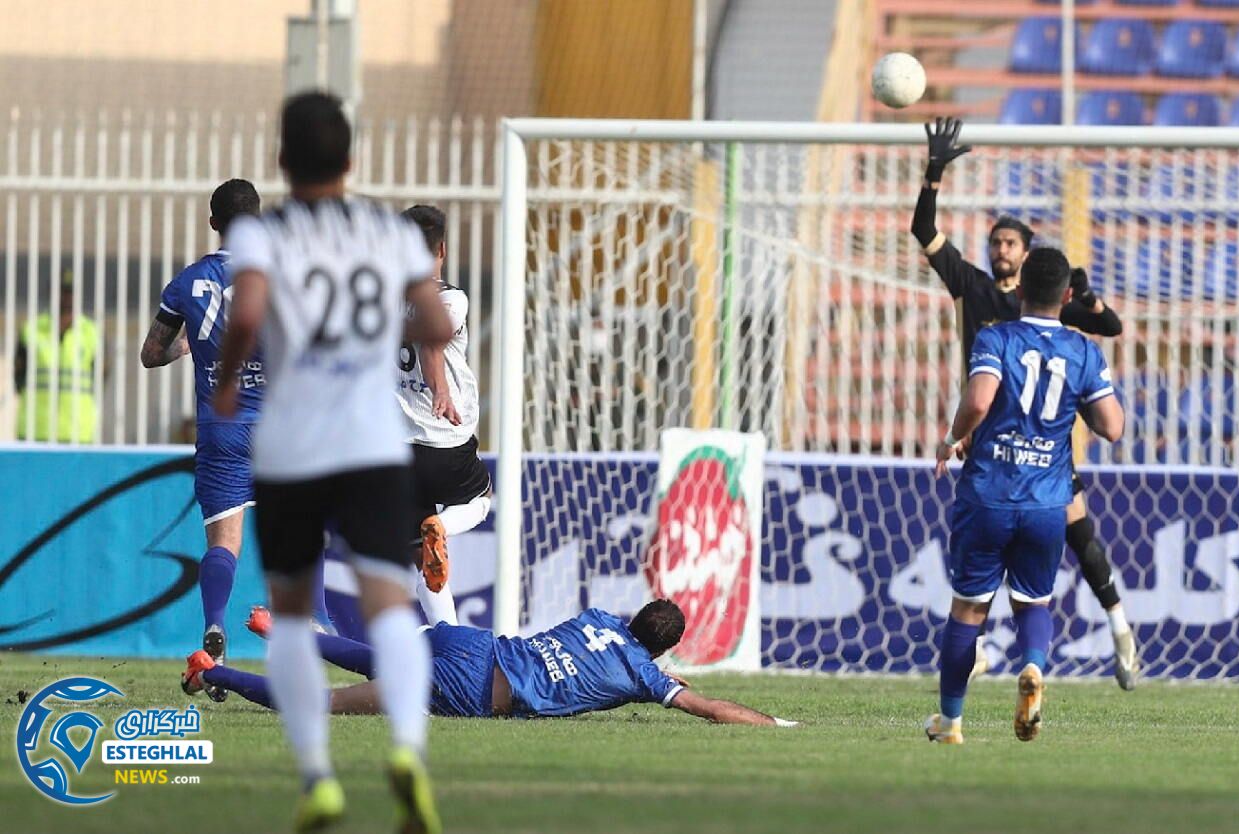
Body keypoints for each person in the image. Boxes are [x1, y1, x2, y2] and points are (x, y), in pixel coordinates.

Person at [213, 91, 453, 834]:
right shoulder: (388, 231)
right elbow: (438, 321)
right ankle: (409, 751)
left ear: (283, 161)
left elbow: (247, 312)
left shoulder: (268, 232)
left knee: (287, 613)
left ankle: (317, 777)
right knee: (389, 603)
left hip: (292, 442)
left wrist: (224, 384)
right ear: (351, 160)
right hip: (372, 442)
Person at [911, 118, 1138, 690]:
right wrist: (935, 173)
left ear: (1028, 254)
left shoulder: (1049, 307)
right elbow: (922, 227)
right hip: (998, 445)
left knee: (1080, 541)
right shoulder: (973, 286)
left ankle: (1118, 627)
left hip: (1040, 451)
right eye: (994, 243)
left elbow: (1108, 324)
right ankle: (989, 648)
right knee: (987, 540)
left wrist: (1082, 295)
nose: (999, 249)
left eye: (1009, 243)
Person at [925, 247, 1124, 745]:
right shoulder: (1083, 351)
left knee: (969, 611)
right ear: (1068, 295)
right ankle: (1033, 668)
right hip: (1046, 501)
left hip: (989, 492)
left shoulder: (996, 338)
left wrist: (953, 437)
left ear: (1022, 290)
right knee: (1033, 604)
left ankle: (950, 721)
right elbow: (1112, 427)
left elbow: (977, 401)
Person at [183, 599, 796, 727]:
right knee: (328, 705)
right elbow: (708, 708)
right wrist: (773, 725)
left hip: (473, 641)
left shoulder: (600, 618)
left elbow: (626, 643)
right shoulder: (643, 675)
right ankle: (212, 672)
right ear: (664, 650)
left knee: (375, 659)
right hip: (477, 683)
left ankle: (278, 628)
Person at [142, 179, 262, 702]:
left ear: (214, 223)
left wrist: (187, 344)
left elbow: (150, 352)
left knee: (224, 543)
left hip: (221, 429)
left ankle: (215, 630)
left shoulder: (187, 284)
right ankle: (315, 624)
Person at [395, 205, 491, 626]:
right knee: (481, 500)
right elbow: (433, 344)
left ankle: (448, 640)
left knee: (421, 557)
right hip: (444, 439)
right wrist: (441, 392)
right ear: (443, 250)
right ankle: (444, 525)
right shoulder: (450, 297)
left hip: (397, 446)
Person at [14, 275, 101, 443]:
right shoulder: (32, 329)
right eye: (61, 291)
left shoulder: (91, 332)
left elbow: (100, 375)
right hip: (36, 430)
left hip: (78, 432)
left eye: (69, 292)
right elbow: (18, 375)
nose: (65, 297)